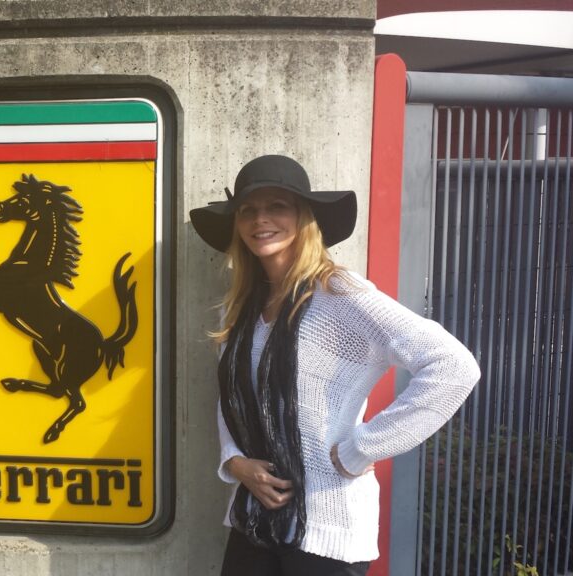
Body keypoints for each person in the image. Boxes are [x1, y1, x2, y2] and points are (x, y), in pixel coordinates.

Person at [189, 155, 480, 575]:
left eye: (276, 207)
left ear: (303, 217)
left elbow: (454, 367)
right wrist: (234, 461)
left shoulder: (340, 295)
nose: (260, 220)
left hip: (328, 527)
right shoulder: (239, 309)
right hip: (254, 522)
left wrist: (358, 451)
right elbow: (232, 396)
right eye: (248, 210)